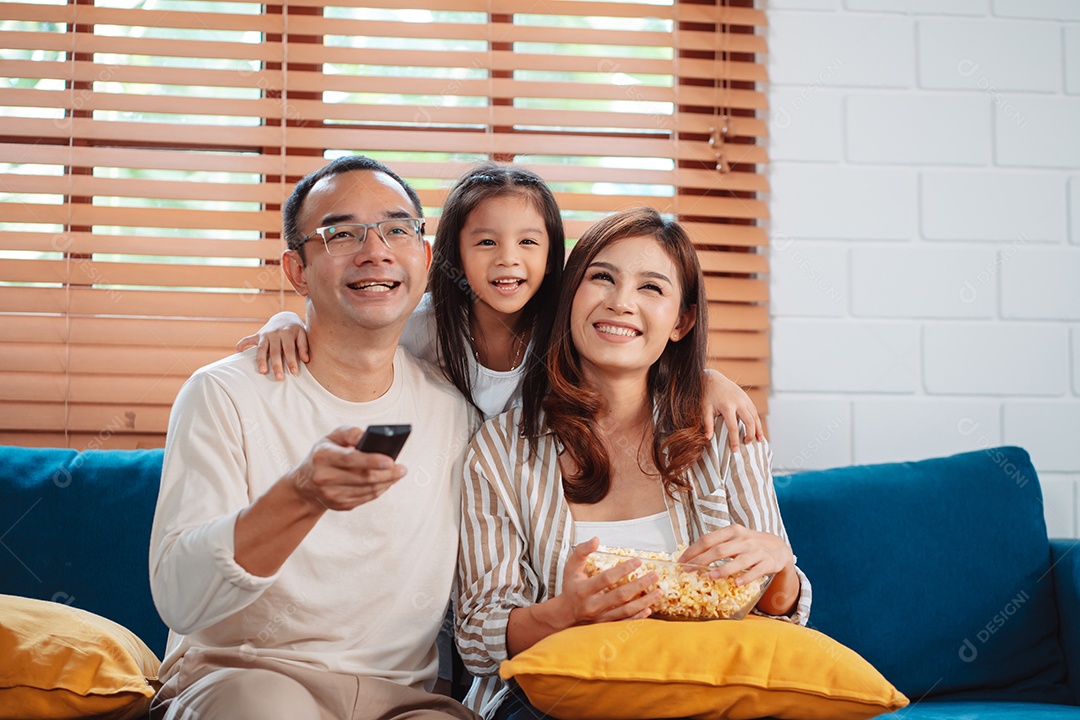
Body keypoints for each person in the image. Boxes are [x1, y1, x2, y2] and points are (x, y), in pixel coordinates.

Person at [149, 155, 480, 720]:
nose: (375, 250)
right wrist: (300, 496)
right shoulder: (223, 394)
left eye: (397, 229)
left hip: (401, 698)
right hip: (246, 678)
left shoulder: (455, 411)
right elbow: (181, 599)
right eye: (341, 233)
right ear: (297, 271)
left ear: (423, 259)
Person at [455, 208, 812, 720]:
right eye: (601, 277)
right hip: (558, 701)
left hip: (703, 692)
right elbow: (476, 638)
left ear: (681, 321)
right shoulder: (500, 450)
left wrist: (778, 562)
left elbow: (782, 617)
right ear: (570, 296)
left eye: (651, 288)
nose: (621, 303)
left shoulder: (725, 432)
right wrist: (564, 614)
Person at [236, 163, 764, 447]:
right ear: (450, 254)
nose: (508, 261)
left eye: (529, 244)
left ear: (554, 253)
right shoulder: (422, 329)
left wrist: (705, 379)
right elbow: (352, 336)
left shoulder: (569, 326)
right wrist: (286, 319)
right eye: (486, 243)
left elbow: (637, 359)